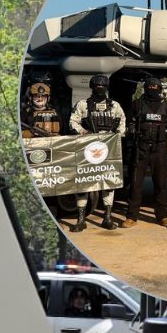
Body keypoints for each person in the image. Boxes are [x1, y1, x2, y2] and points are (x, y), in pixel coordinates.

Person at [69, 74, 127, 231]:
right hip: (87, 150)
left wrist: (115, 136)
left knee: (108, 184)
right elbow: (73, 122)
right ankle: (81, 220)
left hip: (108, 151)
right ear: (92, 87)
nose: (100, 88)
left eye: (103, 86)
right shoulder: (82, 105)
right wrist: (83, 132)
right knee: (83, 183)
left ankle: (107, 218)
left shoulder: (114, 106)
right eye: (97, 86)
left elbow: (122, 124)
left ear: (107, 88)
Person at [124, 76, 167, 228]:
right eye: (150, 87)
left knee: (160, 184)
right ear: (145, 88)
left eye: (155, 87)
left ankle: (162, 216)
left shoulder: (166, 106)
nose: (152, 89)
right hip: (141, 148)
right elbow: (128, 122)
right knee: (136, 184)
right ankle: (131, 216)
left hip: (159, 149)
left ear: (159, 89)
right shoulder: (137, 104)